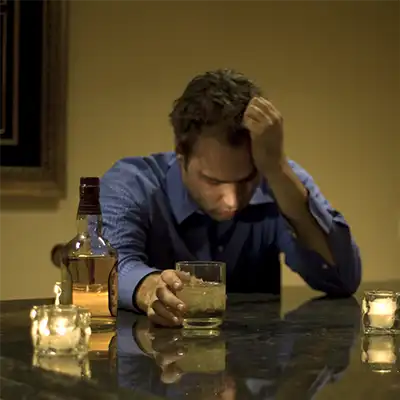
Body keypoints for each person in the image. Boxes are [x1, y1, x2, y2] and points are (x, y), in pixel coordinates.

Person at [100, 69, 362, 327]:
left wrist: (277, 168)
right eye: (213, 181)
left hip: (257, 361)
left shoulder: (276, 175)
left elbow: (341, 280)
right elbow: (109, 268)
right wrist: (149, 287)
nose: (232, 201)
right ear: (181, 154)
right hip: (155, 363)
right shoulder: (133, 183)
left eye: (247, 180)